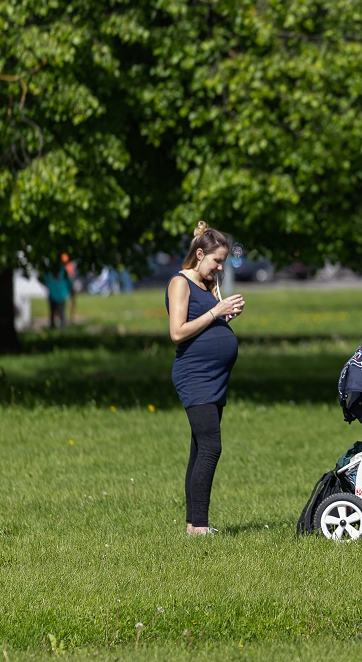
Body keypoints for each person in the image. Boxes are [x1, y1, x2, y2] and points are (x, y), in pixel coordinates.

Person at [166, 221, 245, 536]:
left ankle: (193, 523)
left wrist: (223, 315)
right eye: (216, 261)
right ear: (199, 254)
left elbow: (202, 321)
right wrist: (216, 313)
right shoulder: (180, 283)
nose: (220, 267)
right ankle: (198, 525)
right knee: (211, 446)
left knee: (200, 448)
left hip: (214, 377)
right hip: (195, 375)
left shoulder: (206, 286)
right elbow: (177, 332)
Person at [42, 254, 74, 330]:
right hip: (58, 295)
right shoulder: (61, 271)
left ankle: (57, 328)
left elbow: (45, 280)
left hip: (57, 295)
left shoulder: (56, 271)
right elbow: (69, 283)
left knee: (56, 314)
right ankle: (59, 328)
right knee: (58, 314)